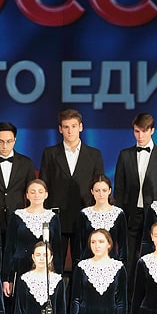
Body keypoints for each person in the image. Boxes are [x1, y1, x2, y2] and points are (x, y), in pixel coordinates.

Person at [38, 108, 106, 268]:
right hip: (57, 216)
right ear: (60, 129)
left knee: (83, 263)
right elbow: (43, 185)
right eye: (66, 127)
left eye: (74, 126)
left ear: (81, 127)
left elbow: (99, 186)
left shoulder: (94, 154)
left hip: (85, 215)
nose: (70, 131)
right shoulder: (50, 154)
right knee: (54, 264)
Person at [113, 112, 157, 262]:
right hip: (131, 214)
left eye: (144, 131)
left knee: (153, 258)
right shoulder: (125, 155)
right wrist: (119, 215)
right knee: (128, 258)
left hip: (155, 214)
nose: (140, 136)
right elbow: (119, 188)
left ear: (152, 130)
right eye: (137, 131)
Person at [5, 178, 65, 295]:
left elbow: (57, 249)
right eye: (32, 192)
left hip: (45, 269)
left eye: (40, 191)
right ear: (27, 195)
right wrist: (7, 278)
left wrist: (58, 276)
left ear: (46, 195)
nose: (36, 195)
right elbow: (9, 248)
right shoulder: (17, 216)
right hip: (21, 267)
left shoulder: (53, 218)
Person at [0, 120, 36, 230]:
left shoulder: (26, 163)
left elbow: (31, 193)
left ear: (15, 140)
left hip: (19, 219)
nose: (5, 146)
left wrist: (29, 218)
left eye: (9, 141)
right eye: (0, 141)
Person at [76, 174, 129, 266]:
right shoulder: (84, 214)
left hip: (112, 263)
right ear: (92, 191)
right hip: (88, 263)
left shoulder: (119, 214)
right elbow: (79, 245)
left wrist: (121, 266)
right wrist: (80, 266)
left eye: (104, 190)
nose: (101, 194)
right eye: (97, 190)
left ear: (110, 191)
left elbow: (123, 245)